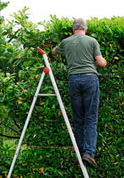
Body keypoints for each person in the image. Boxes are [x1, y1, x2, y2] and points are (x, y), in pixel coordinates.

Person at [50, 18, 107, 169]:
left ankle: (80, 153)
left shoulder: (66, 42)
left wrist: (56, 50)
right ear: (85, 29)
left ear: (73, 29)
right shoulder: (92, 41)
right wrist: (102, 62)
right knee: (91, 118)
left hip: (73, 80)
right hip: (90, 78)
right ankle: (88, 153)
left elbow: (53, 52)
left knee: (79, 119)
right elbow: (101, 63)